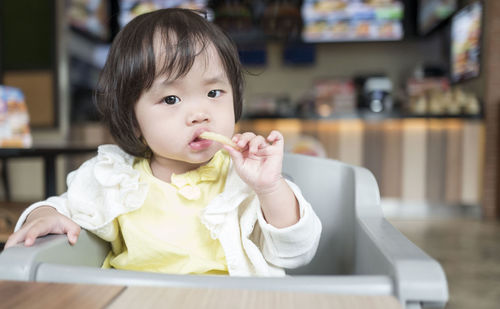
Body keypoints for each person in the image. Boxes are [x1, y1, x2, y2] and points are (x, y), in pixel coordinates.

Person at [5, 8, 321, 276]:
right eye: (171, 98)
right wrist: (41, 215)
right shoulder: (114, 178)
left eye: (214, 93)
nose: (200, 114)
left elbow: (296, 252)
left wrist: (269, 187)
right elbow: (63, 208)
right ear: (133, 121)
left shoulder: (245, 179)